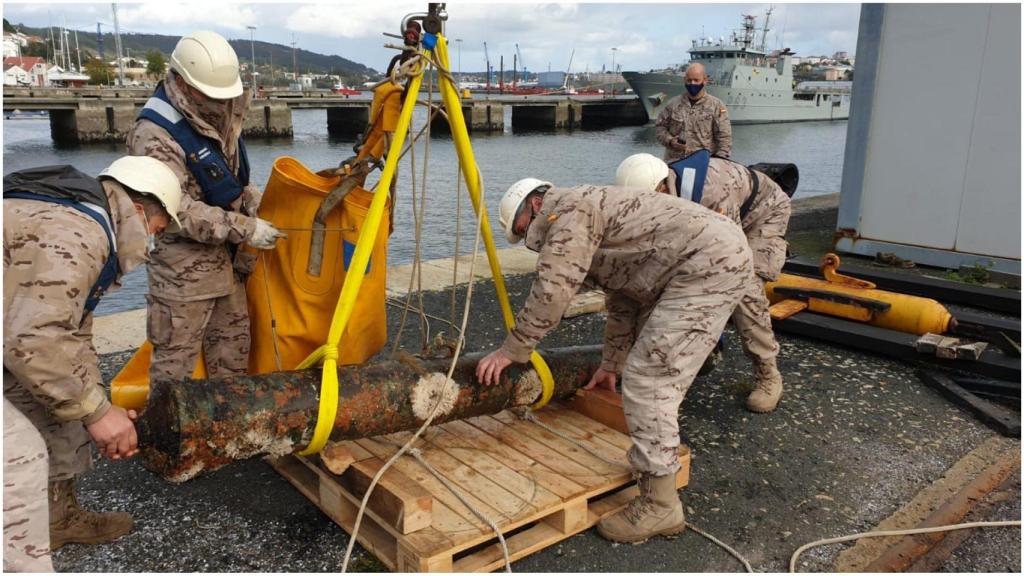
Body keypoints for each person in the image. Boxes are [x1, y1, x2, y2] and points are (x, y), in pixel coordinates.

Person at [475, 178, 752, 543]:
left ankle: (660, 506)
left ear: (536, 206)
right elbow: (625, 298)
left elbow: (553, 291)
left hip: (706, 265)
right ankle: (656, 470)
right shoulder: (591, 213)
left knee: (651, 379)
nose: (532, 242)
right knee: (642, 371)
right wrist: (611, 364)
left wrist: (514, 349)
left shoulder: (568, 214)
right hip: (706, 259)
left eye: (525, 232)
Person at [4, 156, 184, 562]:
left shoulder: (81, 212)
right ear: (139, 210)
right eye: (157, 229)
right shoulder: (77, 235)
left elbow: (69, 332)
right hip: (17, 336)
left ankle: (58, 517)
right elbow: (34, 338)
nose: (154, 240)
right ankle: (19, 545)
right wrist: (98, 413)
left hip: (13, 332)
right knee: (17, 451)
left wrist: (96, 400)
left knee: (62, 401)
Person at [127, 31, 285, 383]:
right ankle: (171, 437)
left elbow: (231, 177)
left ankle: (228, 432)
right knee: (175, 372)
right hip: (184, 277)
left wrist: (254, 201)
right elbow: (171, 208)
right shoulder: (153, 134)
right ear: (182, 83)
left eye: (225, 95)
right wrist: (245, 228)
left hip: (230, 269)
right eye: (210, 95)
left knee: (232, 363)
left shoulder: (225, 110)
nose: (220, 104)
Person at [616, 152, 792, 412]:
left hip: (762, 214)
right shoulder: (652, 197)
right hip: (717, 220)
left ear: (663, 187)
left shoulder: (710, 192)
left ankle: (768, 375)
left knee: (744, 290)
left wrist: (707, 334)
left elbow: (724, 262)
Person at [655, 62, 732, 162]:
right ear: (684, 80)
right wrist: (670, 141)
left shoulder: (717, 106)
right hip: (674, 163)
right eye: (689, 80)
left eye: (696, 80)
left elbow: (725, 139)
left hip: (703, 164)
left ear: (705, 80)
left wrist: (717, 163)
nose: (692, 83)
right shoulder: (673, 105)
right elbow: (660, 128)